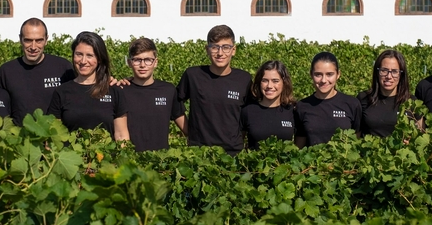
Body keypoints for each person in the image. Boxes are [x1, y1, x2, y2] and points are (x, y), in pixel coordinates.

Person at [176, 25, 252, 155]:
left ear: (233, 50)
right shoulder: (193, 75)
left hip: (233, 152)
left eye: (226, 47)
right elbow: (174, 102)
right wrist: (189, 131)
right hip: (199, 151)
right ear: (207, 49)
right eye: (215, 47)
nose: (220, 53)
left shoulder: (244, 79)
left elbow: (249, 113)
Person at [47, 31, 129, 141]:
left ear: (99, 59)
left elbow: (121, 136)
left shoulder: (113, 90)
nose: (83, 61)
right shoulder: (62, 92)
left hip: (105, 157)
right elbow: (53, 138)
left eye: (90, 55)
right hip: (71, 157)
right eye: (79, 54)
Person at [121, 38, 186, 151]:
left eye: (148, 60)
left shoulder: (168, 90)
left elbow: (185, 126)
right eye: (137, 60)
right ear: (129, 63)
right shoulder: (121, 90)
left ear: (155, 62)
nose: (142, 65)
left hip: (160, 162)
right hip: (130, 161)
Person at [296, 52, 362, 147]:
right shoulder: (302, 106)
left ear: (338, 74)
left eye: (329, 74)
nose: (323, 80)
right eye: (318, 74)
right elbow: (299, 147)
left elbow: (356, 142)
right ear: (311, 74)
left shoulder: (352, 104)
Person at [357, 50, 419, 137]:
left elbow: (419, 135)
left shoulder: (411, 102)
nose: (389, 76)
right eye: (384, 70)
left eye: (394, 71)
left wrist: (411, 142)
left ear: (401, 74)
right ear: (377, 72)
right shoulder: (363, 99)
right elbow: (356, 135)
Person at [241, 60, 302, 149]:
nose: (269, 86)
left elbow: (298, 148)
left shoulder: (293, 110)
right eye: (265, 80)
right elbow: (239, 144)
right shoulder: (248, 111)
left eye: (275, 81)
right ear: (259, 82)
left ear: (284, 82)